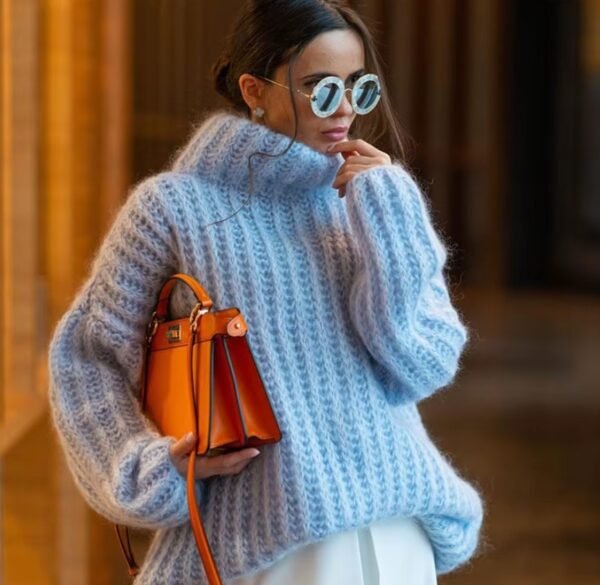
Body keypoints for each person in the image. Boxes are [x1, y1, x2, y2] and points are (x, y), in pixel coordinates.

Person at [47, 1, 484, 584]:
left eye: (360, 87)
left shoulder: (367, 202)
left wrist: (393, 212)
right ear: (256, 89)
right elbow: (87, 359)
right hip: (269, 551)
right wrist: (149, 470)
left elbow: (422, 364)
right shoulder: (173, 209)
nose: (347, 109)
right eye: (320, 89)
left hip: (397, 536)